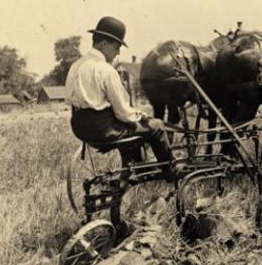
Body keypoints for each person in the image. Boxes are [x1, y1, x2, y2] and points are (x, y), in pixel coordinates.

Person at [65, 16, 178, 180]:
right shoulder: (105, 70)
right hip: (104, 130)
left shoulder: (75, 66)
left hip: (79, 127)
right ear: (104, 44)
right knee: (157, 125)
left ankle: (133, 165)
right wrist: (143, 116)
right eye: (116, 47)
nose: (118, 52)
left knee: (129, 127)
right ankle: (171, 172)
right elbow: (124, 112)